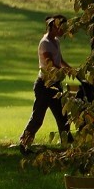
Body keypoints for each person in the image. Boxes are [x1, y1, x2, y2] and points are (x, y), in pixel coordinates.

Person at [19, 14, 73, 155]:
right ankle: (24, 143)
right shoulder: (45, 43)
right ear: (54, 27)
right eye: (61, 28)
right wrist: (63, 70)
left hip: (55, 85)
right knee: (38, 117)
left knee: (62, 116)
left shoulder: (56, 42)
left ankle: (68, 146)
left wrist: (72, 70)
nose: (63, 31)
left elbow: (59, 60)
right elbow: (50, 64)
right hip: (44, 85)